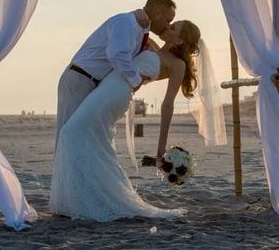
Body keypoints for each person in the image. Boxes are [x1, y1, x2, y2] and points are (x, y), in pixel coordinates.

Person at [50, 20, 203, 221]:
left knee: (71, 132)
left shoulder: (177, 65)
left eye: (174, 28)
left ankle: (92, 198)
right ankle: (84, 196)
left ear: (180, 40)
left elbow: (167, 105)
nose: (168, 26)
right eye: (171, 23)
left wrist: (161, 147)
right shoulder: (151, 46)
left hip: (117, 92)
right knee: (82, 136)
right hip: (107, 86)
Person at [54, 0, 176, 149]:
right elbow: (117, 54)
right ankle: (62, 173)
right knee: (69, 133)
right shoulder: (127, 22)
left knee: (82, 134)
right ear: (158, 13)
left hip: (91, 83)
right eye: (168, 20)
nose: (168, 25)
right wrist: (136, 80)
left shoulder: (139, 27)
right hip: (79, 79)